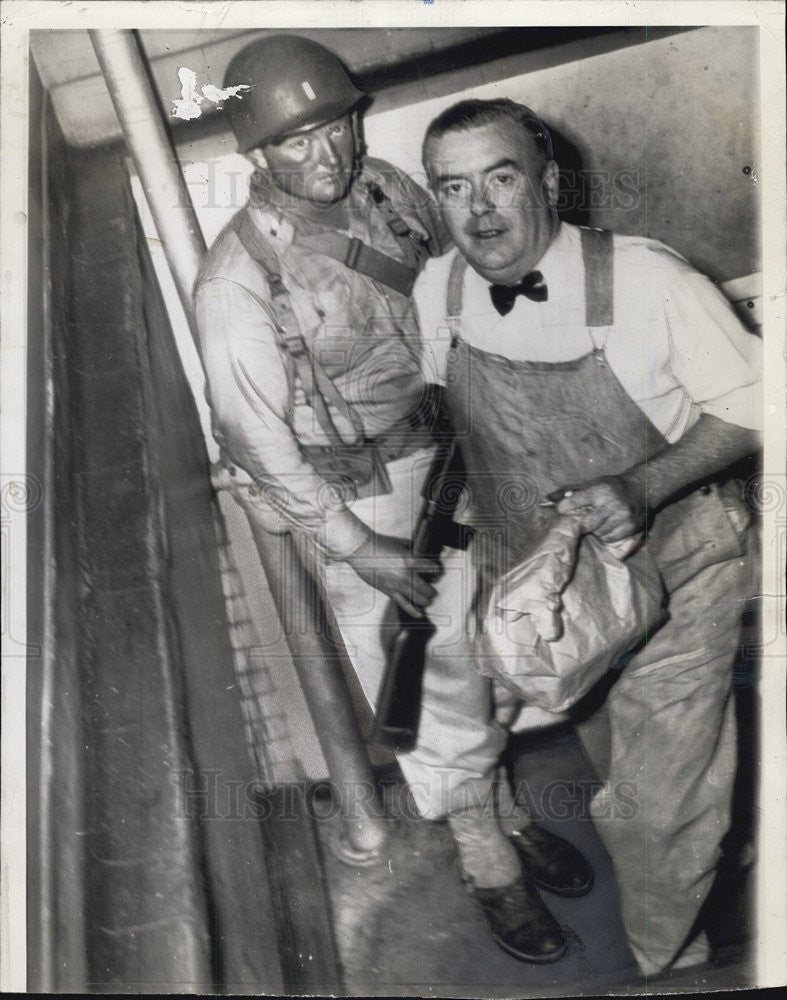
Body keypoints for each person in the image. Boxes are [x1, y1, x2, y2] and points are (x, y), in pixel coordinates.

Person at [194, 39, 592, 966]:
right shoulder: (236, 283)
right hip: (367, 501)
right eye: (296, 143)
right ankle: (485, 854)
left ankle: (493, 807)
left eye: (335, 126)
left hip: (460, 448)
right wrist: (351, 545)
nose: (326, 156)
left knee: (499, 644)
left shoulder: (387, 191)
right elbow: (257, 436)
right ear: (255, 152)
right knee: (439, 679)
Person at [415, 97, 762, 976]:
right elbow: (454, 418)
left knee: (653, 811)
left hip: (680, 569)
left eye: (500, 179)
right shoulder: (437, 291)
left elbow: (760, 407)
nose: (480, 211)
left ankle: (669, 967)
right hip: (562, 596)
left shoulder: (647, 281)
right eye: (453, 188)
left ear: (549, 183)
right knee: (628, 780)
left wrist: (642, 485)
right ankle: (708, 865)